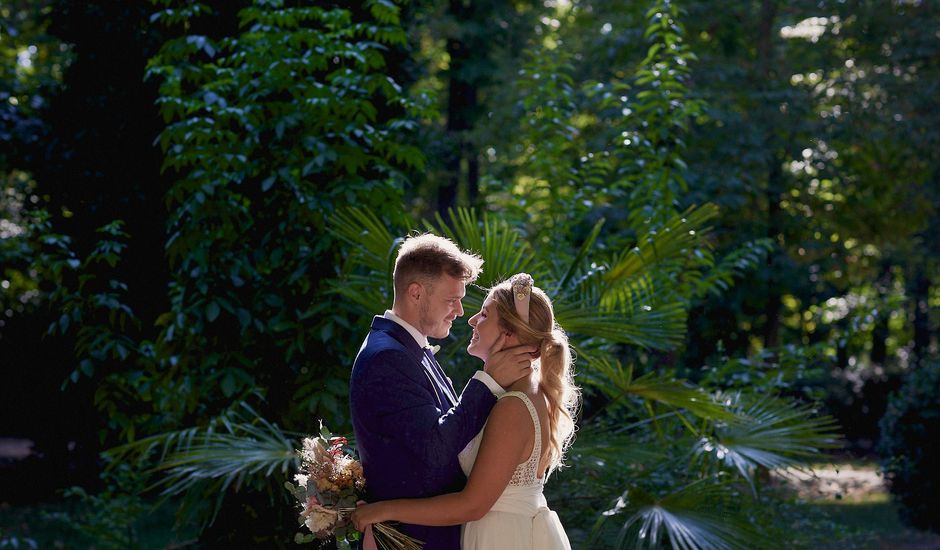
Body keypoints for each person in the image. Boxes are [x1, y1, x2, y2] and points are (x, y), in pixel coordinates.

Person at [352, 273, 580, 550]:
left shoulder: (514, 406)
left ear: (509, 334)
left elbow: (471, 505)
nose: (471, 320)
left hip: (500, 538)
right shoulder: (515, 394)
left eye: (484, 315)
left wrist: (382, 510)